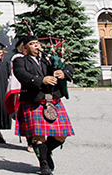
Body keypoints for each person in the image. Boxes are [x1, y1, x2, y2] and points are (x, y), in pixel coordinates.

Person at [13, 35, 74, 175]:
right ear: (25, 48)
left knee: (61, 135)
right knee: (38, 136)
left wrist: (63, 73)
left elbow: (68, 68)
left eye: (37, 43)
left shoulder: (49, 59)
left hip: (53, 100)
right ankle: (44, 165)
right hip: (34, 101)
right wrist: (42, 80)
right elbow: (21, 75)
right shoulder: (20, 61)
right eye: (32, 44)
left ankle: (46, 152)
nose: (36, 46)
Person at [5, 36, 34, 152]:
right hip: (23, 91)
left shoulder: (38, 58)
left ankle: (39, 139)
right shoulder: (18, 59)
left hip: (37, 91)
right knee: (27, 118)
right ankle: (30, 141)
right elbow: (16, 76)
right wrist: (17, 91)